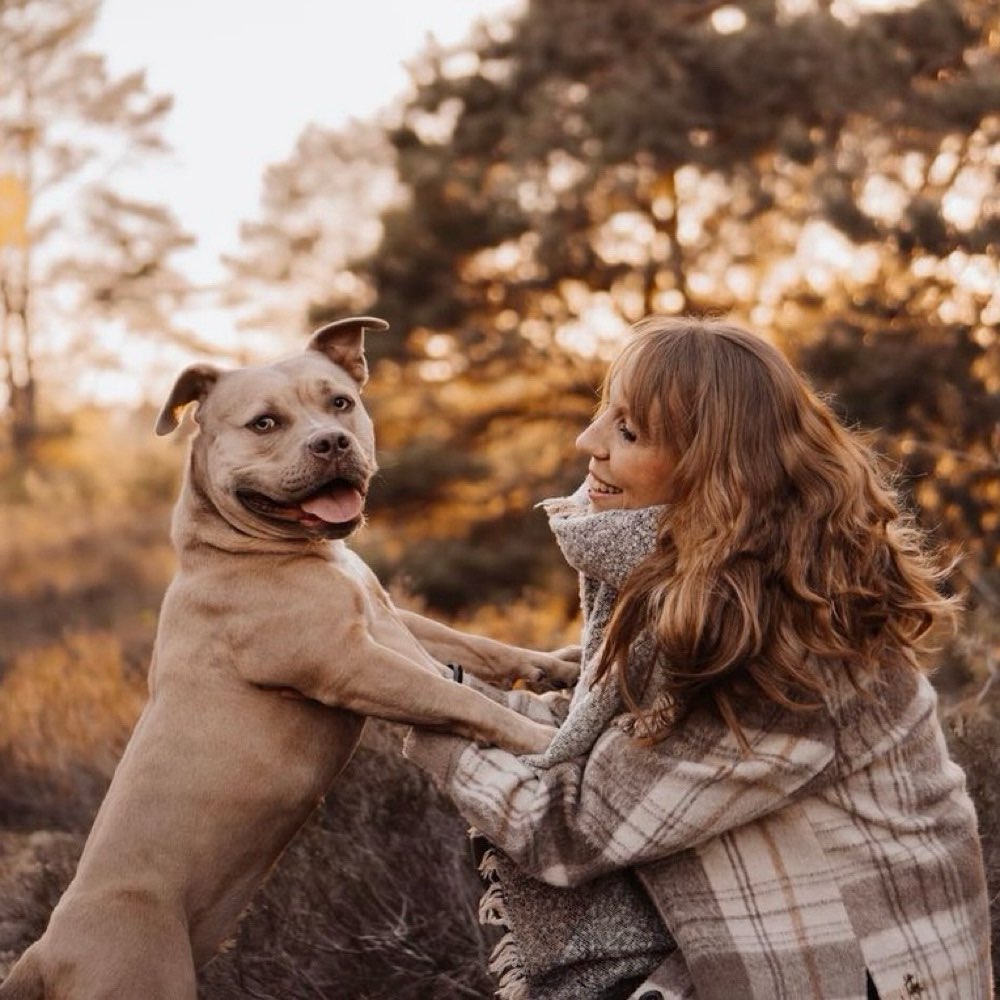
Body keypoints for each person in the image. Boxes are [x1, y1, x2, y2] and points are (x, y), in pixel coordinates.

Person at [403, 316, 993, 1000]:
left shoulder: (785, 647)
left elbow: (576, 827)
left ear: (713, 474)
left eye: (627, 431)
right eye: (605, 411)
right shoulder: (701, 584)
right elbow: (596, 736)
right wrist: (437, 680)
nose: (587, 442)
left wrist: (419, 704)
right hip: (765, 939)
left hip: (859, 973)